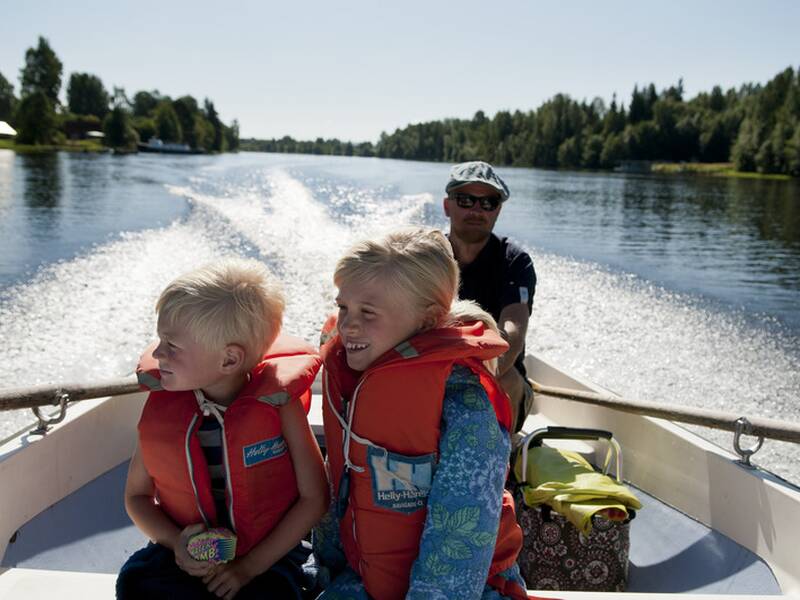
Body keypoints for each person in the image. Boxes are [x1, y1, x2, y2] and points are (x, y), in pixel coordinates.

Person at [313, 228, 529, 600]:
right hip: (364, 578)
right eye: (343, 307)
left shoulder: (467, 412)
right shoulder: (354, 379)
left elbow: (458, 547)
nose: (348, 326)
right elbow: (341, 484)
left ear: (428, 320)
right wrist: (326, 571)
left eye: (368, 313)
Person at [116, 259, 329, 600]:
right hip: (183, 553)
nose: (158, 354)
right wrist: (177, 545)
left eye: (172, 346)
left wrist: (249, 568)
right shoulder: (165, 405)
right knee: (137, 584)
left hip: (268, 555)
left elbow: (314, 498)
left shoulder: (278, 406)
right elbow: (136, 497)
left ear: (229, 359)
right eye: (159, 341)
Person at [443, 161, 537, 433]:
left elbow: (513, 331)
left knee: (507, 381)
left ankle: (504, 467)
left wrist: (474, 378)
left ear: (498, 210)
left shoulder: (514, 261)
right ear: (447, 205)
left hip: (495, 373)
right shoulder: (429, 256)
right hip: (436, 368)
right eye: (466, 199)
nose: (477, 210)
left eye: (488, 202)